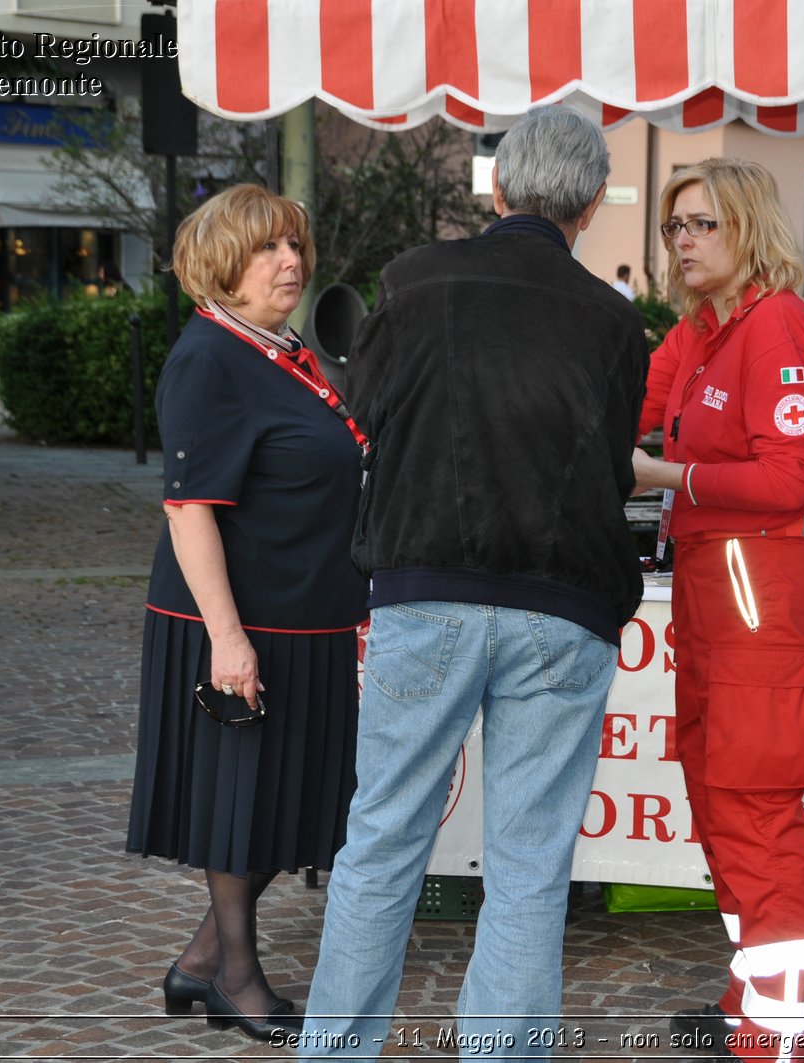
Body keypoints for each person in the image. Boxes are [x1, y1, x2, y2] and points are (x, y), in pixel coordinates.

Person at [297, 106, 648, 1057]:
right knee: (532, 863)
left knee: (381, 843)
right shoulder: (617, 323)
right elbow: (611, 464)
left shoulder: (415, 280)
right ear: (585, 210)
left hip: (427, 586)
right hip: (563, 602)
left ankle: (335, 1050)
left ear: (497, 190)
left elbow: (362, 409)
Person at [125, 184, 367, 1042]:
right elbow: (188, 508)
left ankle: (196, 962)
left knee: (303, 799)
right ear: (221, 264)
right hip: (240, 625)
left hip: (310, 616)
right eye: (267, 250)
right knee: (247, 801)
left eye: (294, 245)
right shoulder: (208, 358)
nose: (290, 263)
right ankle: (234, 974)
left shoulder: (281, 348)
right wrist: (228, 639)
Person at [630, 158, 804, 1062]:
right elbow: (617, 403)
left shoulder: (777, 323)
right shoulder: (701, 331)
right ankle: (753, 996)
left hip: (756, 577)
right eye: (676, 227)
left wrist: (667, 476)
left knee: (754, 800)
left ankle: (780, 1034)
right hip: (715, 580)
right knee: (716, 796)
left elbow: (794, 476)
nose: (684, 242)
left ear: (747, 227)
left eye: (702, 224)